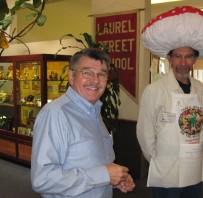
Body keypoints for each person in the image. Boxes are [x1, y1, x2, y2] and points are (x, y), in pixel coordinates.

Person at [137, 6, 203, 198]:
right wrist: (158, 160)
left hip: (193, 164)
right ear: (169, 58)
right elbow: (145, 133)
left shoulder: (200, 88)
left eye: (188, 56)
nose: (183, 62)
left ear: (195, 59)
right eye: (178, 56)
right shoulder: (155, 90)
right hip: (166, 167)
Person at [31, 48, 135, 198]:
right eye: (87, 72)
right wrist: (103, 175)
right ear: (71, 77)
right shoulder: (55, 114)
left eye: (102, 74)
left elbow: (91, 164)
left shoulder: (93, 111)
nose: (95, 80)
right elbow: (42, 179)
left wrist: (112, 180)